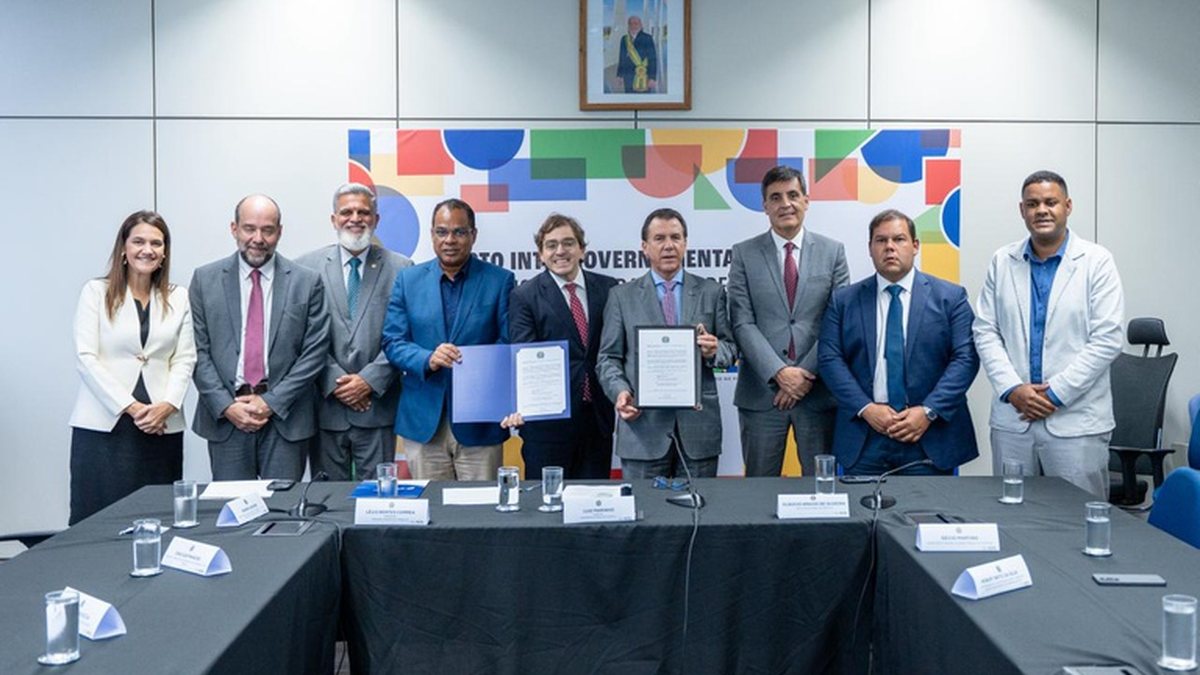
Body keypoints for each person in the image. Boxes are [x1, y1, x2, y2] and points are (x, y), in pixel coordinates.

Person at [973, 170, 1124, 498]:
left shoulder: (1097, 261)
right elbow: (985, 330)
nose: (1041, 210)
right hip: (1014, 419)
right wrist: (1013, 389)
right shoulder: (1002, 261)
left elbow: (1107, 338)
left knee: (1077, 517)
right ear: (1022, 210)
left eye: (1050, 202)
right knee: (1012, 513)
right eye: (1032, 204)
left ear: (1067, 206)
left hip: (1076, 422)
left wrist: (1054, 395)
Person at [818, 209, 980, 475]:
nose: (890, 247)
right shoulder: (844, 301)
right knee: (860, 503)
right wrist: (866, 408)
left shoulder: (951, 298)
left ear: (915, 246)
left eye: (899, 239)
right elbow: (829, 359)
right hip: (865, 435)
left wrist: (928, 411)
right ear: (870, 248)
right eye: (881, 240)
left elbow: (966, 359)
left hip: (928, 435)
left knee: (929, 504)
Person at [189, 194, 330, 481]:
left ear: (280, 232)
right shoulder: (205, 279)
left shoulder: (307, 281)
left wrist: (271, 403)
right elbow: (196, 351)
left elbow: (314, 353)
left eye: (268, 230)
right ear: (234, 229)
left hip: (286, 418)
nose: (258, 238)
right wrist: (227, 406)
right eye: (249, 228)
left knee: (281, 506)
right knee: (231, 507)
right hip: (227, 418)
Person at [68, 211, 196, 524]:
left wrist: (167, 405)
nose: (147, 250)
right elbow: (86, 357)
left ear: (164, 252)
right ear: (123, 248)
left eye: (156, 243)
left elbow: (184, 358)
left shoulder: (178, 297)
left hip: (160, 426)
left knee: (158, 519)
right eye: (138, 241)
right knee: (99, 521)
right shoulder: (96, 292)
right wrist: (133, 407)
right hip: (105, 426)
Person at [727, 165, 850, 477]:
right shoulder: (743, 254)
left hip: (817, 393)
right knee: (758, 490)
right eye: (776, 197)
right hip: (761, 394)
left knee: (823, 488)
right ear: (765, 206)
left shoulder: (833, 252)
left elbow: (837, 321)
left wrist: (803, 375)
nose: (786, 204)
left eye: (793, 195)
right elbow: (742, 322)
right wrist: (779, 373)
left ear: (806, 200)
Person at [596, 208, 736, 479]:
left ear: (685, 243)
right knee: (644, 506)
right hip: (642, 429)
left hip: (698, 431)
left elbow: (731, 349)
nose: (668, 245)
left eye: (675, 237)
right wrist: (620, 392)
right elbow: (608, 358)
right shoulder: (621, 296)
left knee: (700, 506)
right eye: (659, 238)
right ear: (644, 247)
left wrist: (715, 350)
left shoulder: (712, 292)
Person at [382, 198, 515, 481]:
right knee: (431, 506)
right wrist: (427, 358)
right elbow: (393, 341)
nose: (450, 240)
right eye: (442, 232)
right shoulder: (408, 280)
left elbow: (509, 342)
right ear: (432, 235)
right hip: (423, 422)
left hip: (480, 421)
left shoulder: (500, 280)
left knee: (482, 505)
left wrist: (474, 362)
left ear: (473, 235)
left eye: (459, 232)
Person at [297, 183, 412, 481]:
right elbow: (300, 336)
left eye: (364, 212)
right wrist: (337, 382)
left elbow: (405, 335)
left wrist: (368, 381)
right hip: (325, 408)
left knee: (376, 498)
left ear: (376, 219)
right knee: (326, 498)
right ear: (333, 219)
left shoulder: (402, 268)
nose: (355, 219)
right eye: (346, 212)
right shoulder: (305, 268)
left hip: (377, 407)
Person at [503, 214, 619, 479]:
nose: (560, 251)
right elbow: (524, 355)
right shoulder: (524, 296)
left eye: (568, 243)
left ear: (582, 250)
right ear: (541, 255)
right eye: (551, 245)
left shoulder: (608, 288)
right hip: (547, 426)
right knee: (547, 500)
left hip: (597, 421)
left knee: (594, 499)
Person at [615, 15, 657, 93]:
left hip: (645, 76)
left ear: (641, 25)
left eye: (636, 23)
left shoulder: (648, 38)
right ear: (628, 26)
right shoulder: (624, 39)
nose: (633, 26)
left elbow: (652, 59)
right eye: (631, 24)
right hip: (628, 76)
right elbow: (622, 59)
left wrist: (652, 78)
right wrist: (619, 75)